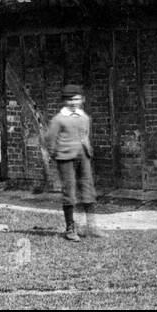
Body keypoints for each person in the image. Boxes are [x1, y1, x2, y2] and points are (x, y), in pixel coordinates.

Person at [45, 84, 101, 241]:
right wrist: (56, 154)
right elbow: (50, 139)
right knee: (69, 192)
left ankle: (92, 227)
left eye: (76, 99)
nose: (73, 102)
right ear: (64, 101)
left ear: (82, 99)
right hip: (65, 158)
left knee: (88, 189)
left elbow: (85, 135)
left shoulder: (84, 117)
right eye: (70, 99)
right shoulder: (59, 119)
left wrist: (86, 150)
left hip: (83, 156)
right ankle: (70, 229)